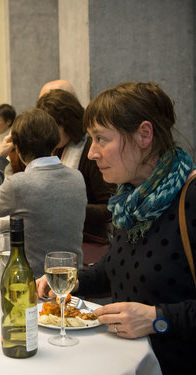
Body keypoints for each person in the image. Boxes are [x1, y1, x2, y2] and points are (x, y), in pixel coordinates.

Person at [36, 82, 196, 373]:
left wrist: (158, 318)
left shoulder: (190, 198)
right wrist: (71, 282)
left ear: (144, 135)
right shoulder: (129, 201)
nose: (91, 153)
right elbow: (117, 268)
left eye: (101, 139)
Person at [0, 108, 87, 277]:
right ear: (55, 141)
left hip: (33, 283)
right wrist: (4, 225)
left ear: (18, 149)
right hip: (71, 280)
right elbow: (49, 222)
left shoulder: (19, 183)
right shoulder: (77, 177)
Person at [36, 89, 116, 243]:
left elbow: (109, 208)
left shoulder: (90, 152)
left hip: (89, 241)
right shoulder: (59, 147)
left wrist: (66, 207)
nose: (48, 135)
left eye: (52, 129)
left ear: (67, 123)